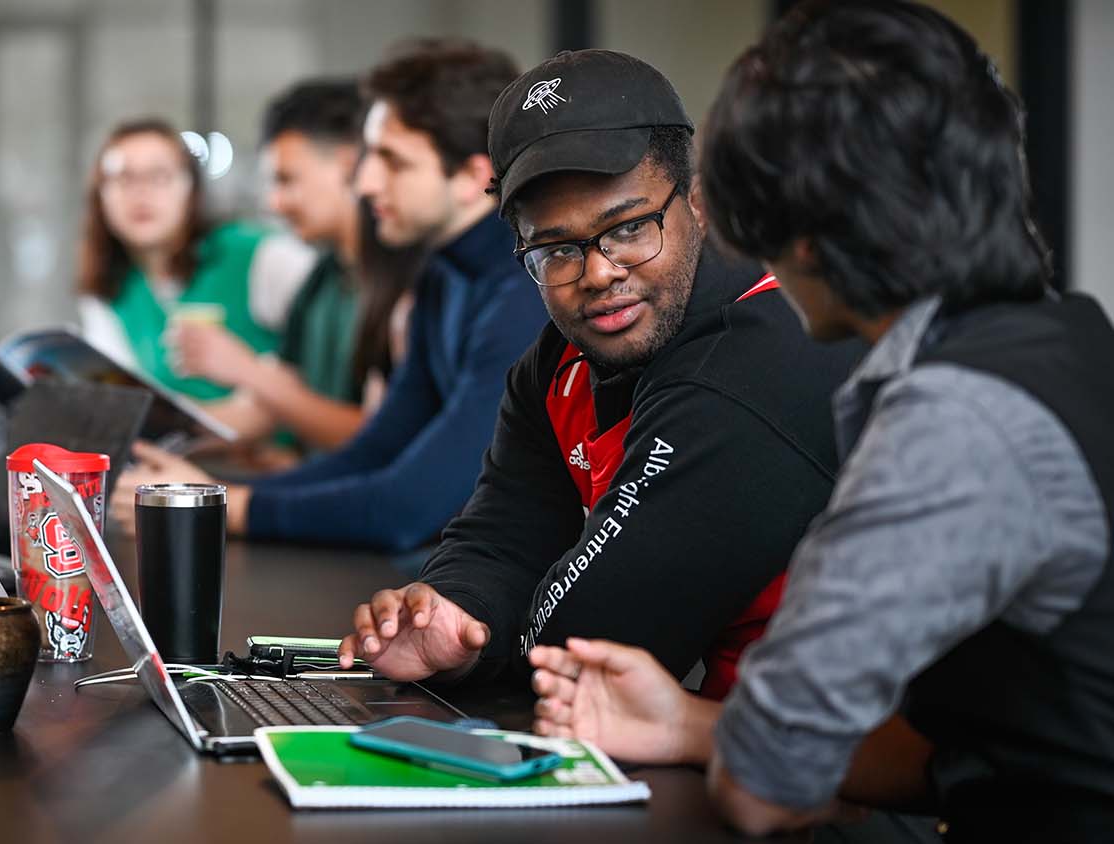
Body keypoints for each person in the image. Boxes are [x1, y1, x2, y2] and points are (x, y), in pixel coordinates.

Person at [529, 2, 1114, 840]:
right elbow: (992, 745)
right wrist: (693, 727)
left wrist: (737, 743)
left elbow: (765, 785)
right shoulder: (1073, 339)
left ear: (794, 235)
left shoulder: (947, 421)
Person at [335, 48, 863, 704]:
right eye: (557, 249)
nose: (599, 273)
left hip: (846, 782)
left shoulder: (758, 362)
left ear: (697, 203)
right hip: (715, 758)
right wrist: (454, 615)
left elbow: (595, 647)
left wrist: (499, 638)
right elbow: (502, 531)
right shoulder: (561, 360)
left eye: (629, 228)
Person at [113, 39, 544, 552]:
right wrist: (216, 496)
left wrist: (222, 504)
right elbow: (375, 451)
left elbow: (410, 506)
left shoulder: (522, 292)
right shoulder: (443, 275)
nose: (363, 182)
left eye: (392, 161)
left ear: (474, 176)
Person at [170, 77, 421, 457]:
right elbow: (265, 408)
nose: (275, 203)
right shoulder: (322, 279)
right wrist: (156, 434)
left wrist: (245, 369)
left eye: (287, 180)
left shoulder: (408, 284)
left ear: (348, 165)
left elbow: (379, 436)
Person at [75, 118, 314, 401]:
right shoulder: (109, 292)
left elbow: (325, 373)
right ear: (99, 196)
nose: (140, 193)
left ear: (192, 190)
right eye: (123, 179)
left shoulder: (262, 255)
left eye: (159, 176)